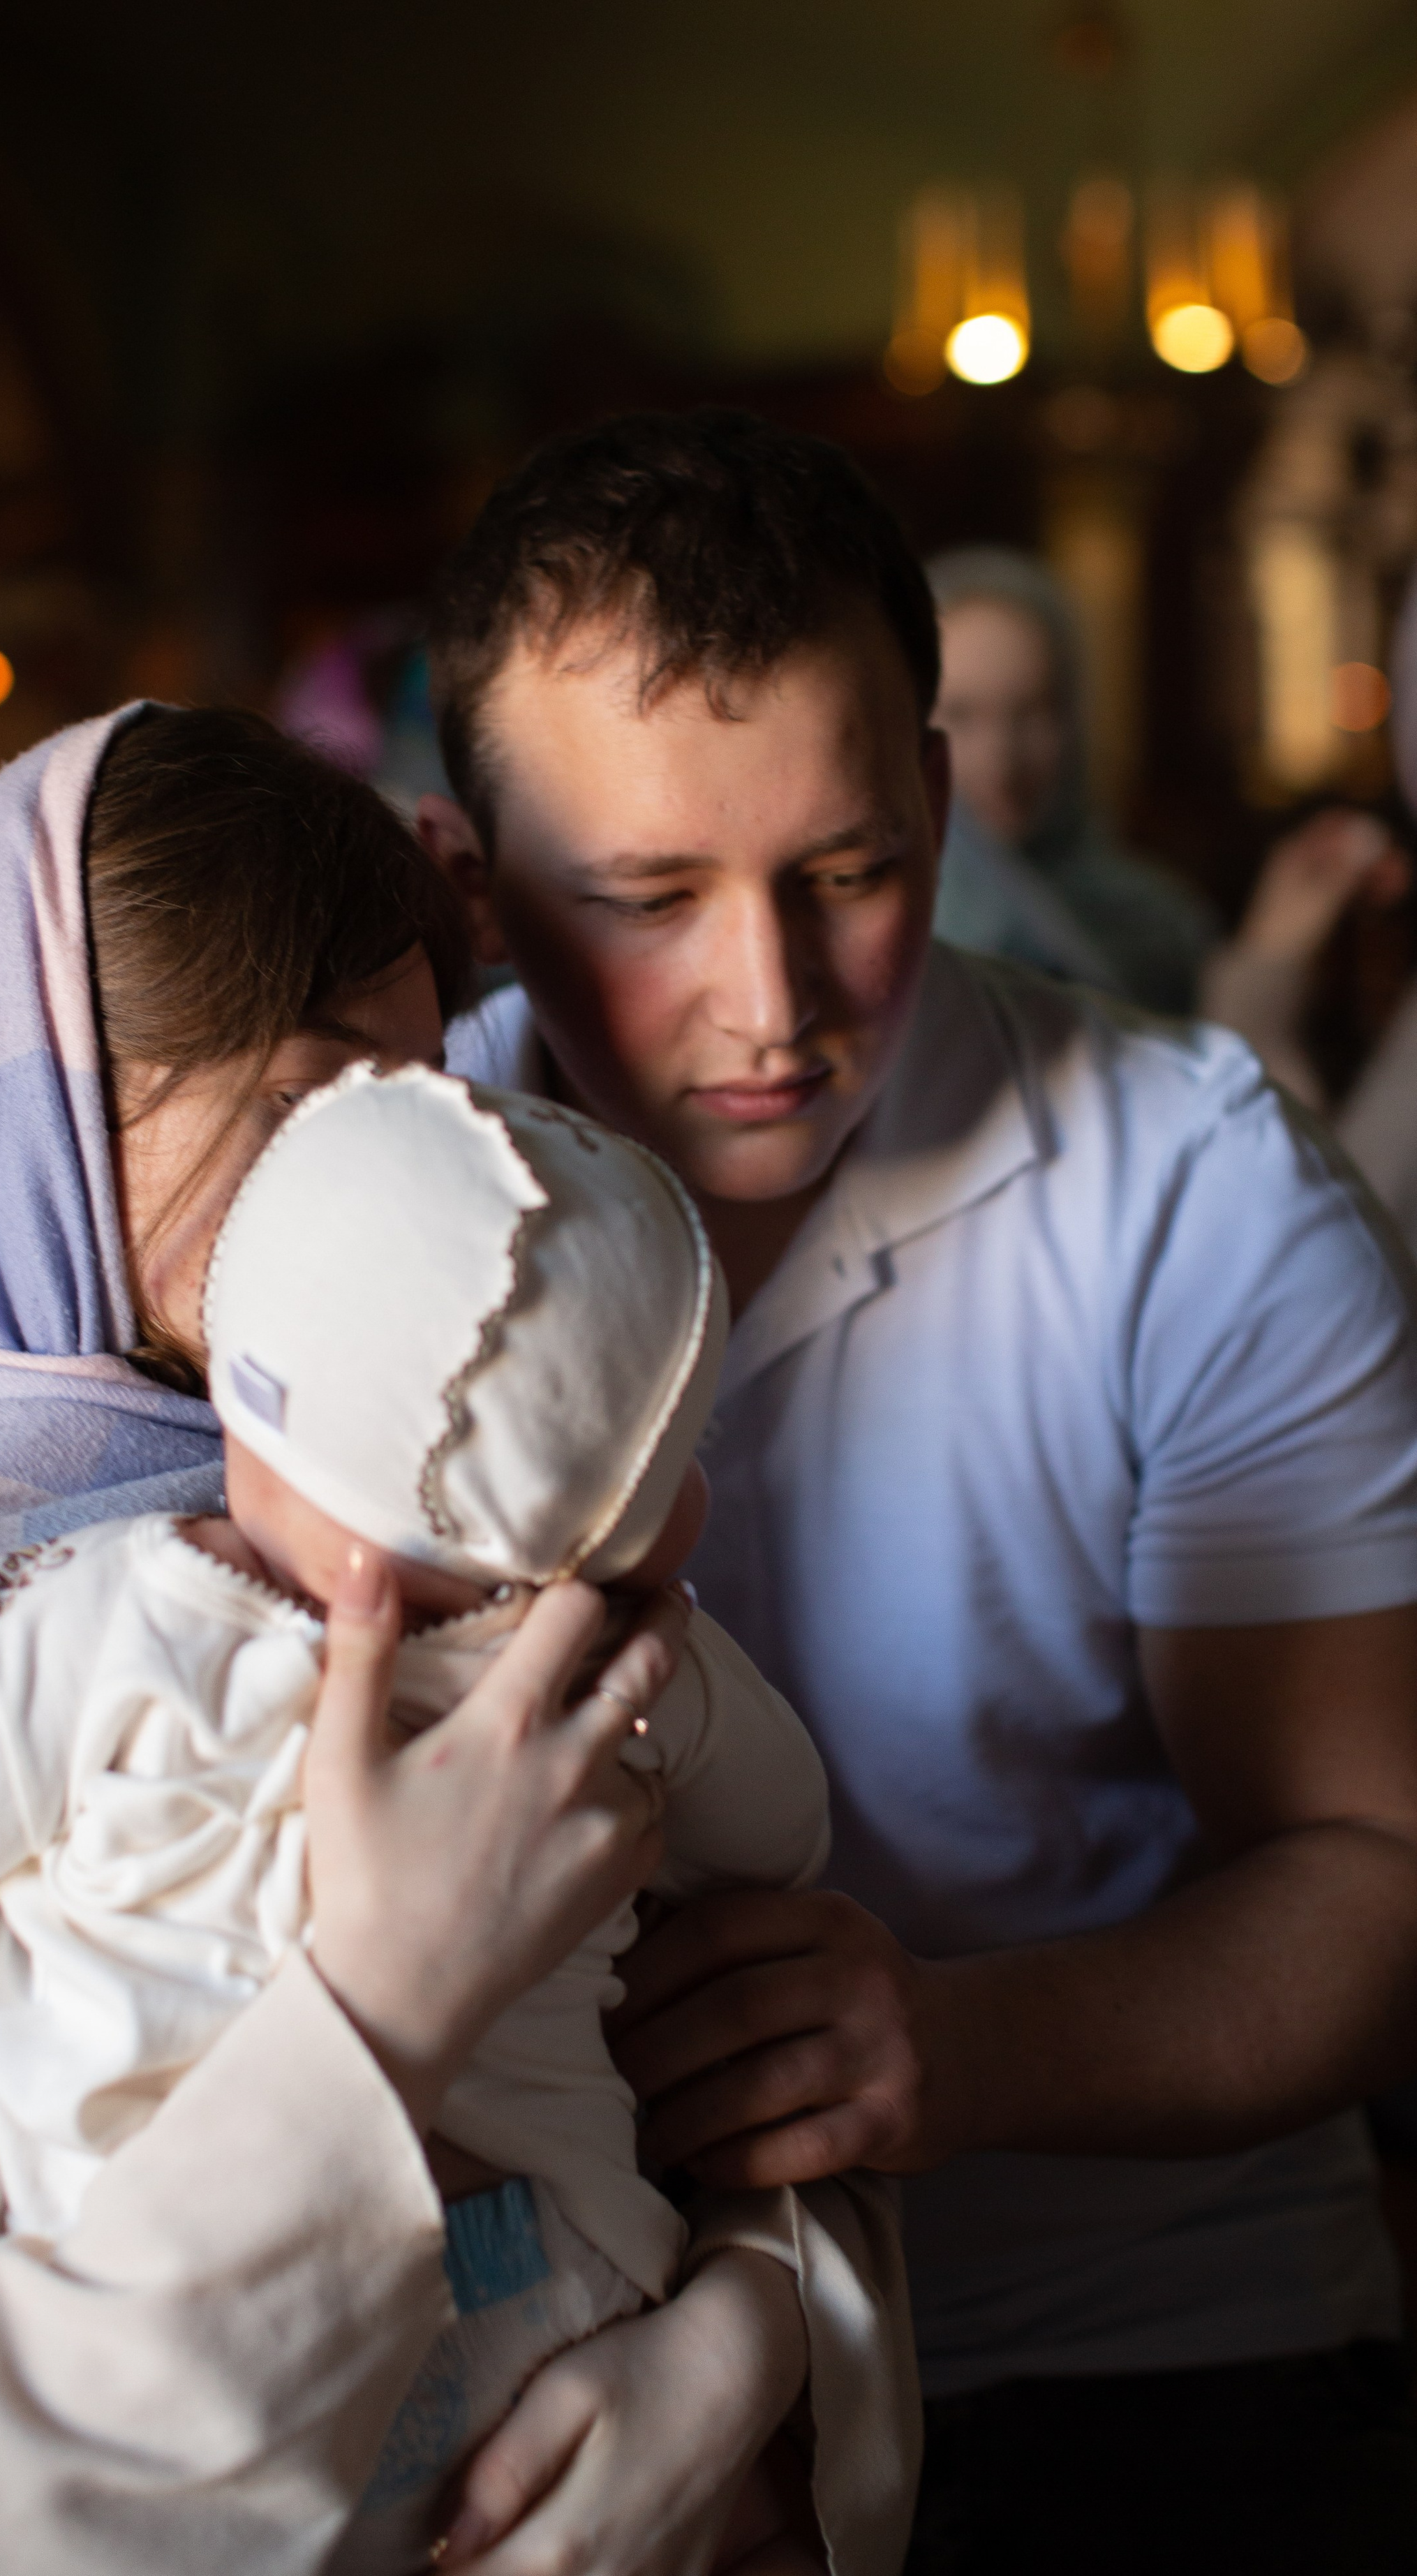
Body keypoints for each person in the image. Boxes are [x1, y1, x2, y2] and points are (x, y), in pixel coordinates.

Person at [0, 706, 838, 2576]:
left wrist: (747, 2343)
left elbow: (725, 2023)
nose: (395, 1175)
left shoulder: (444, 1485)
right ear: (32, 1125)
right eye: (306, 1107)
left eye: (422, 1088)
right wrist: (382, 2008)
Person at [417, 408, 1417, 2575]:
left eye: (847, 872)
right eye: (649, 900)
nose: (766, 1003)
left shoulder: (1198, 1194)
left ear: (945, 804)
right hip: (547, 2360)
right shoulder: (378, 1186)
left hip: (1132, 2338)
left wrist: (949, 2043)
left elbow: (1374, 1870)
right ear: (475, 883)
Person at [926, 546, 1215, 1014]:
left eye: (1032, 711)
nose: (1002, 754)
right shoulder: (889, 935)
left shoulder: (1157, 923)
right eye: (961, 715)